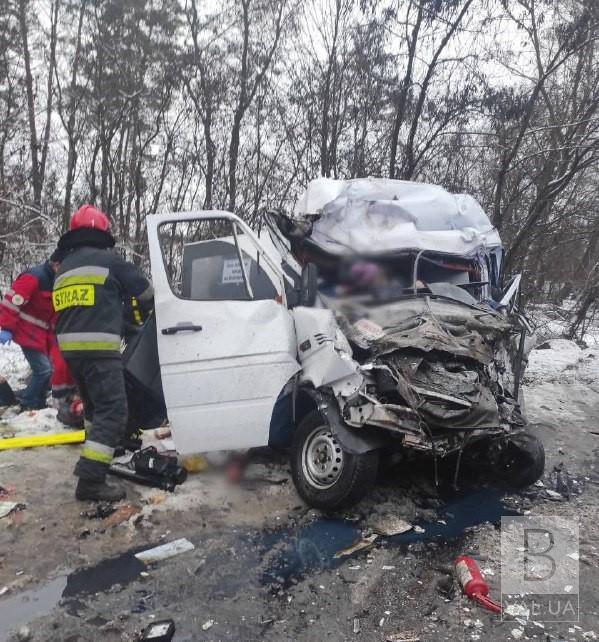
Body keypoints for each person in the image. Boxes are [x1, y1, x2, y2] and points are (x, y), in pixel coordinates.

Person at [53, 204, 153, 502]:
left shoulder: (65, 267)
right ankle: (91, 481)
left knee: (95, 411)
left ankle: (93, 459)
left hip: (71, 352)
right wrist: (135, 321)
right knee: (114, 411)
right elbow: (146, 293)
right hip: (98, 350)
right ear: (103, 233)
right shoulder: (109, 261)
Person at [0, 254, 63, 410]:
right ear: (55, 264)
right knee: (44, 370)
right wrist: (6, 327)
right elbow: (12, 302)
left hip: (42, 335)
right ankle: (29, 402)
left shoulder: (58, 280)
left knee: (48, 370)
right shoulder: (34, 277)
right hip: (25, 331)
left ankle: (35, 398)